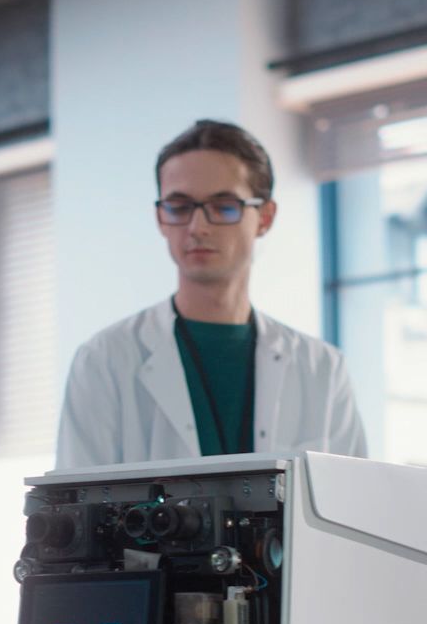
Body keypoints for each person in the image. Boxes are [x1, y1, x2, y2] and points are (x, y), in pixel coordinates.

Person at [56, 119, 366, 468]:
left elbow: (348, 510)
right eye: (180, 207)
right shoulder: (104, 361)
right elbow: (77, 510)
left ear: (265, 217)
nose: (198, 227)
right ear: (160, 218)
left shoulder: (322, 370)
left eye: (223, 206)